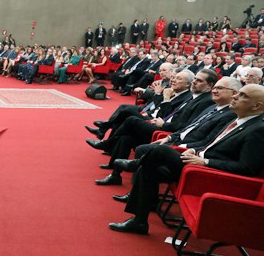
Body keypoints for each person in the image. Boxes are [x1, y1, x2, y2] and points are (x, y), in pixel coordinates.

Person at [108, 84, 264, 235]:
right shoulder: (239, 120)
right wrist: (195, 151)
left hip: (210, 175)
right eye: (238, 93)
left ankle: (135, 163)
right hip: (196, 163)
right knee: (149, 169)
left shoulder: (258, 129)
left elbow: (247, 168)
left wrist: (206, 162)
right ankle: (139, 222)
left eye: (242, 95)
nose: (235, 96)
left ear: (257, 106)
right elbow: (211, 143)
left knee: (161, 151)